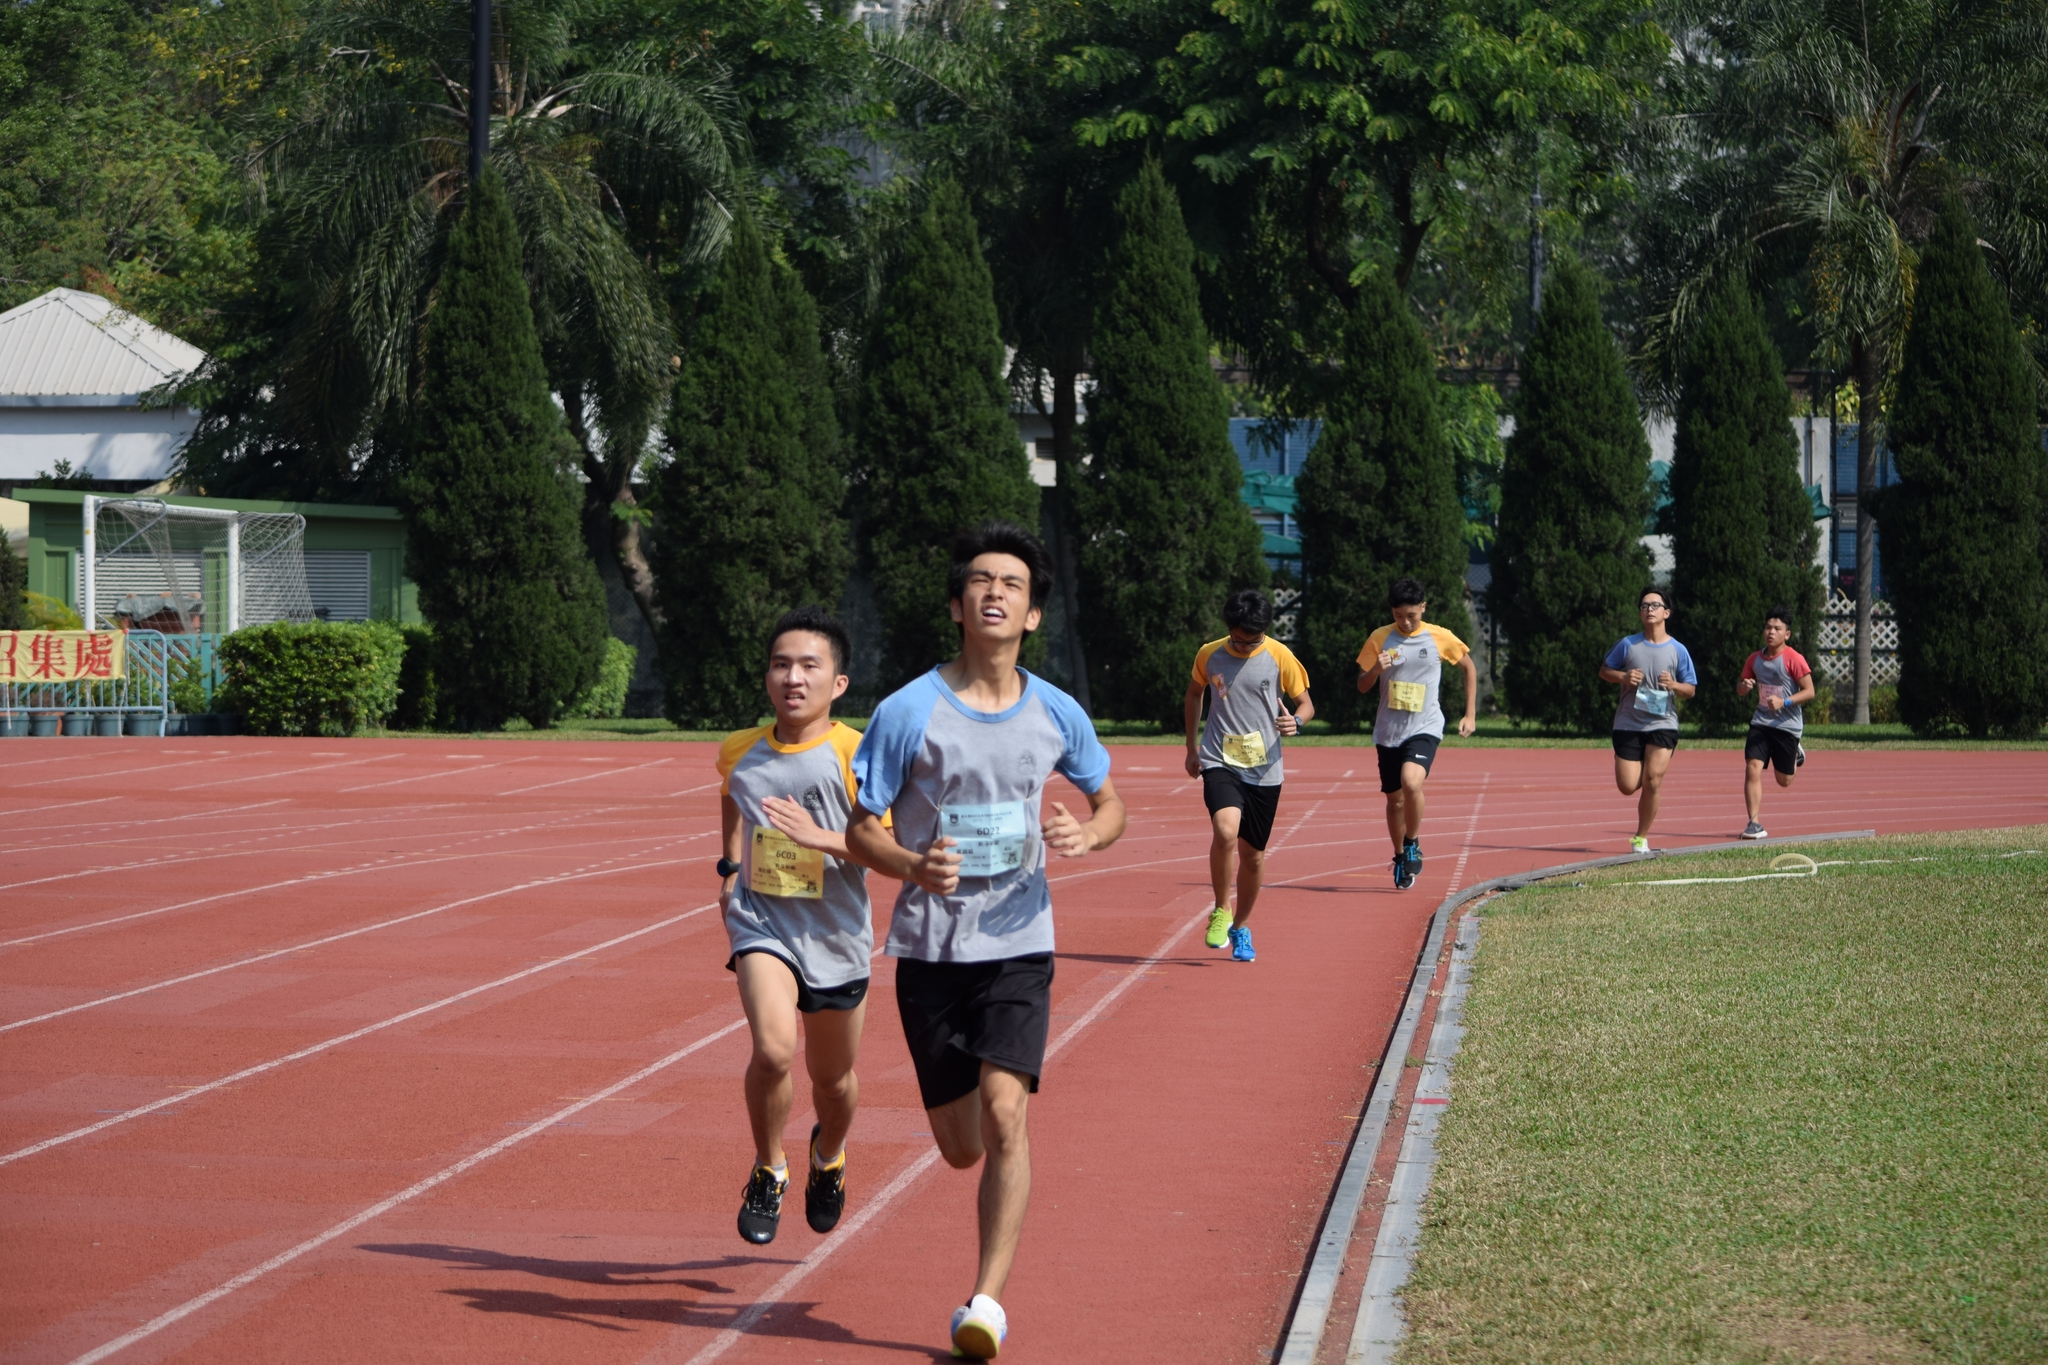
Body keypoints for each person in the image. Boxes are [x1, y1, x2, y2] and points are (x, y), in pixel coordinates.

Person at [846, 521, 1127, 1361]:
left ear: (1033, 614)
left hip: (1019, 941)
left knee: (1007, 1110)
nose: (995, 592)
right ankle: (980, 1238)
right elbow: (861, 828)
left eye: (1013, 583)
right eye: (980, 580)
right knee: (962, 1146)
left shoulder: (1057, 710)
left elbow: (1111, 804)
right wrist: (910, 862)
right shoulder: (907, 710)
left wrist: (1088, 834)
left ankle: (987, 1302)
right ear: (957, 605)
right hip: (931, 950)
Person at [715, 607, 882, 1246]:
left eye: (809, 666)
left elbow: (891, 850)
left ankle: (828, 1158)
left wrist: (821, 837)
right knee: (773, 1049)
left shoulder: (856, 754)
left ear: (838, 682)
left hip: (836, 935)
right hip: (763, 922)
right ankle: (770, 1167)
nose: (793, 678)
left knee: (833, 1082)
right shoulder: (740, 749)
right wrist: (731, 865)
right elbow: (732, 795)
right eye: (781, 665)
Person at [1182, 588, 1314, 962]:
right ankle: (1221, 908)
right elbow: (1194, 694)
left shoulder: (1279, 655)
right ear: (1229, 629)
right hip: (1219, 759)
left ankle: (1241, 926)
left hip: (1264, 769)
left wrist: (1296, 721)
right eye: (1238, 641)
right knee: (1225, 831)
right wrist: (1191, 747)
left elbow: (1306, 704)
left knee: (1252, 856)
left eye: (1252, 642)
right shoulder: (1209, 654)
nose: (1244, 647)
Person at [1355, 576, 1477, 890]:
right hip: (1389, 731)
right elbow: (1362, 685)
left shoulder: (1439, 636)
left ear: (1423, 607)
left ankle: (1412, 841)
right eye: (1398, 616)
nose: (1406, 622)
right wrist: (1376, 669)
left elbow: (1469, 667)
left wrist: (1470, 714)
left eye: (1412, 615)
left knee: (1411, 781)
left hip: (1425, 726)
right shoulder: (1380, 638)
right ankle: (1399, 856)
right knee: (1394, 801)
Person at [1598, 587, 1699, 853]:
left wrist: (1674, 685)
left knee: (1653, 780)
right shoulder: (1628, 644)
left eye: (1655, 605)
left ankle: (1640, 837)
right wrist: (1623, 677)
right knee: (1628, 786)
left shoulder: (1678, 650)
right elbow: (1604, 670)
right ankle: (1637, 763)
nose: (1649, 609)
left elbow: (1690, 689)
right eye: (1644, 606)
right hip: (1629, 723)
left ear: (1667, 612)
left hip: (1663, 723)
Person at [1735, 605, 1814, 839]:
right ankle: (1754, 823)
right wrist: (1744, 686)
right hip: (1761, 722)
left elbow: (1809, 691)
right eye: (1768, 627)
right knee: (1752, 767)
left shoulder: (1794, 659)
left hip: (1787, 726)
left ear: (1786, 634)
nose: (1771, 632)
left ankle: (1795, 753)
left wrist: (1784, 702)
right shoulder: (1754, 659)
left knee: (1784, 780)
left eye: (1777, 629)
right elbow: (1741, 688)